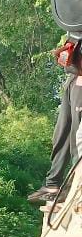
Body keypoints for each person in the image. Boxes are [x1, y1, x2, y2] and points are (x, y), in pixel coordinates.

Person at [28, 72, 79, 205]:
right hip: (74, 76)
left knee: (77, 134)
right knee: (62, 132)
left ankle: (76, 182)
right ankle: (53, 184)